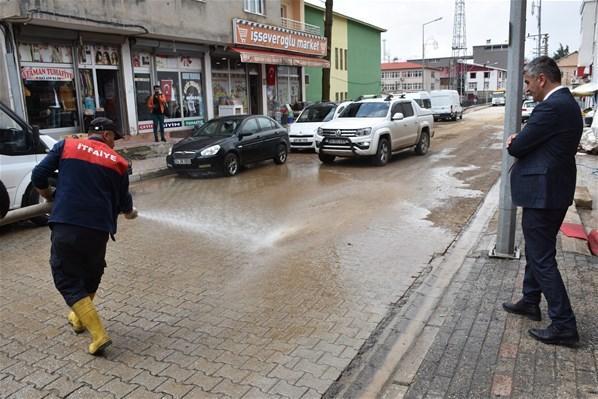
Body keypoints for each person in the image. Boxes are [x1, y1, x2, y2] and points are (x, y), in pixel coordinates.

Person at [32, 117, 138, 355]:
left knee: (66, 277)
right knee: (91, 273)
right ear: (107, 135)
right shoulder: (119, 163)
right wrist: (130, 213)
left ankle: (99, 335)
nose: (114, 145)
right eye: (115, 139)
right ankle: (79, 318)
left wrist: (48, 195)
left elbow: (39, 174)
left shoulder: (66, 145)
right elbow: (124, 202)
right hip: (98, 230)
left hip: (67, 224)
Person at [502, 56, 583, 347]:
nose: (526, 88)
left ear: (541, 79)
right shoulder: (566, 104)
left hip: (544, 194)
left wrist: (515, 140)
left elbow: (520, 146)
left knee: (541, 257)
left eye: (527, 82)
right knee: (538, 250)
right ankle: (530, 300)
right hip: (552, 191)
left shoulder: (550, 107)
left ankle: (564, 324)